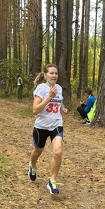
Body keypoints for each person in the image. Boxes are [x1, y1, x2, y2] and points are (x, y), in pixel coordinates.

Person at [28, 64, 68, 195]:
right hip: (41, 126)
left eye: (56, 73)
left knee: (58, 152)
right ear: (45, 75)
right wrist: (49, 97)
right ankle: (32, 166)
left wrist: (62, 108)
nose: (54, 76)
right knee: (37, 151)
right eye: (51, 73)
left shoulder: (59, 88)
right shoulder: (41, 89)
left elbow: (59, 101)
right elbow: (35, 110)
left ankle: (52, 180)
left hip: (56, 124)